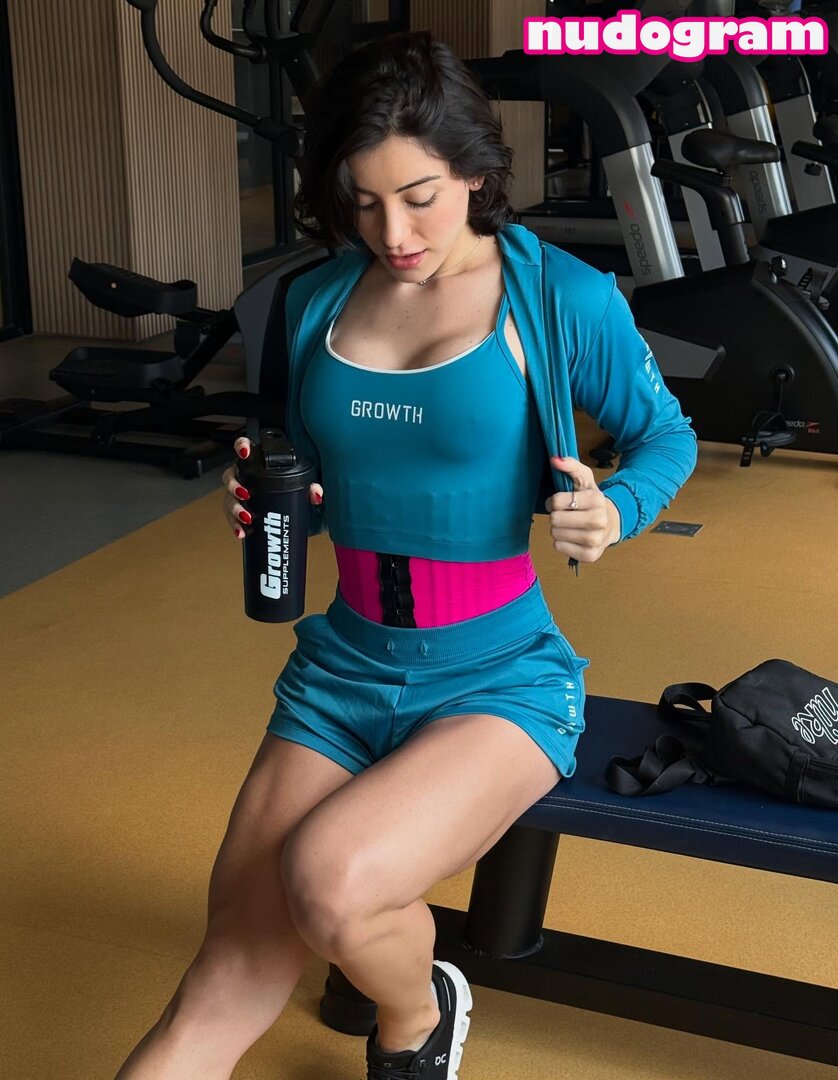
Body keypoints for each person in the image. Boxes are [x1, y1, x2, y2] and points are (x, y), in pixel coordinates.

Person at [115, 32, 697, 1080]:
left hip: (498, 677)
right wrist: (274, 502)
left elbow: (667, 434)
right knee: (216, 982)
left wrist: (617, 508)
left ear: (474, 172)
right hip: (342, 666)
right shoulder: (313, 301)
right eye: (364, 201)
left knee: (329, 882)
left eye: (420, 197)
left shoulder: (559, 298)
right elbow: (317, 481)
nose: (393, 232)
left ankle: (416, 1013)